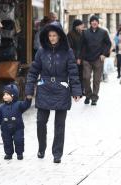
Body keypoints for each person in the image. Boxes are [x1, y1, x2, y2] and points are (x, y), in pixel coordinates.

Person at [25, 22, 82, 163]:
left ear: (60, 36)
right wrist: (29, 89)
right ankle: (41, 147)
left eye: (54, 35)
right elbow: (33, 72)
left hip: (61, 88)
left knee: (59, 124)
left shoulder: (68, 52)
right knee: (40, 122)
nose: (52, 38)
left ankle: (57, 153)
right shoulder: (41, 51)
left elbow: (73, 72)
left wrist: (76, 91)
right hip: (44, 87)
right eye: (50, 35)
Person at [0, 84, 32, 160]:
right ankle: (8, 153)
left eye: (7, 94)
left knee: (19, 140)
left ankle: (19, 153)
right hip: (5, 128)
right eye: (4, 94)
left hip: (18, 127)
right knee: (7, 141)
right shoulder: (1, 107)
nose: (4, 96)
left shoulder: (19, 104)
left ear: (13, 95)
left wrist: (28, 99)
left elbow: (26, 105)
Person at [81, 15, 112, 105]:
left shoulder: (103, 32)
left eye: (96, 21)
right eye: (92, 21)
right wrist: (80, 57)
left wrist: (104, 54)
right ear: (90, 22)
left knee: (96, 80)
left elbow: (108, 44)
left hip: (98, 59)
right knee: (86, 78)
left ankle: (94, 98)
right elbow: (82, 46)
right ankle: (88, 94)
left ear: (98, 23)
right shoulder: (85, 32)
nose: (94, 22)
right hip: (86, 59)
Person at [67, 19, 85, 93]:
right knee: (74, 74)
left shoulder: (83, 33)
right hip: (73, 58)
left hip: (83, 58)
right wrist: (77, 58)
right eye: (81, 25)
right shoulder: (70, 34)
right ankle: (73, 90)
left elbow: (84, 46)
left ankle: (81, 89)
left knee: (82, 75)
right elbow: (69, 47)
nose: (82, 26)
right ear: (76, 26)